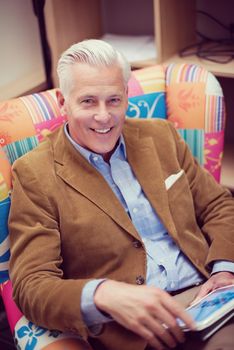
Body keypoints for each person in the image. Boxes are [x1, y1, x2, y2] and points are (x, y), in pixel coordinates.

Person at [9, 39, 234, 350]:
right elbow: (31, 285)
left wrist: (225, 270)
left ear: (127, 95)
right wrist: (102, 294)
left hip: (210, 296)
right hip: (137, 331)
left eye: (114, 100)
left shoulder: (161, 136)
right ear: (63, 101)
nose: (104, 117)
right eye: (88, 101)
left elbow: (218, 205)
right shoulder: (33, 174)